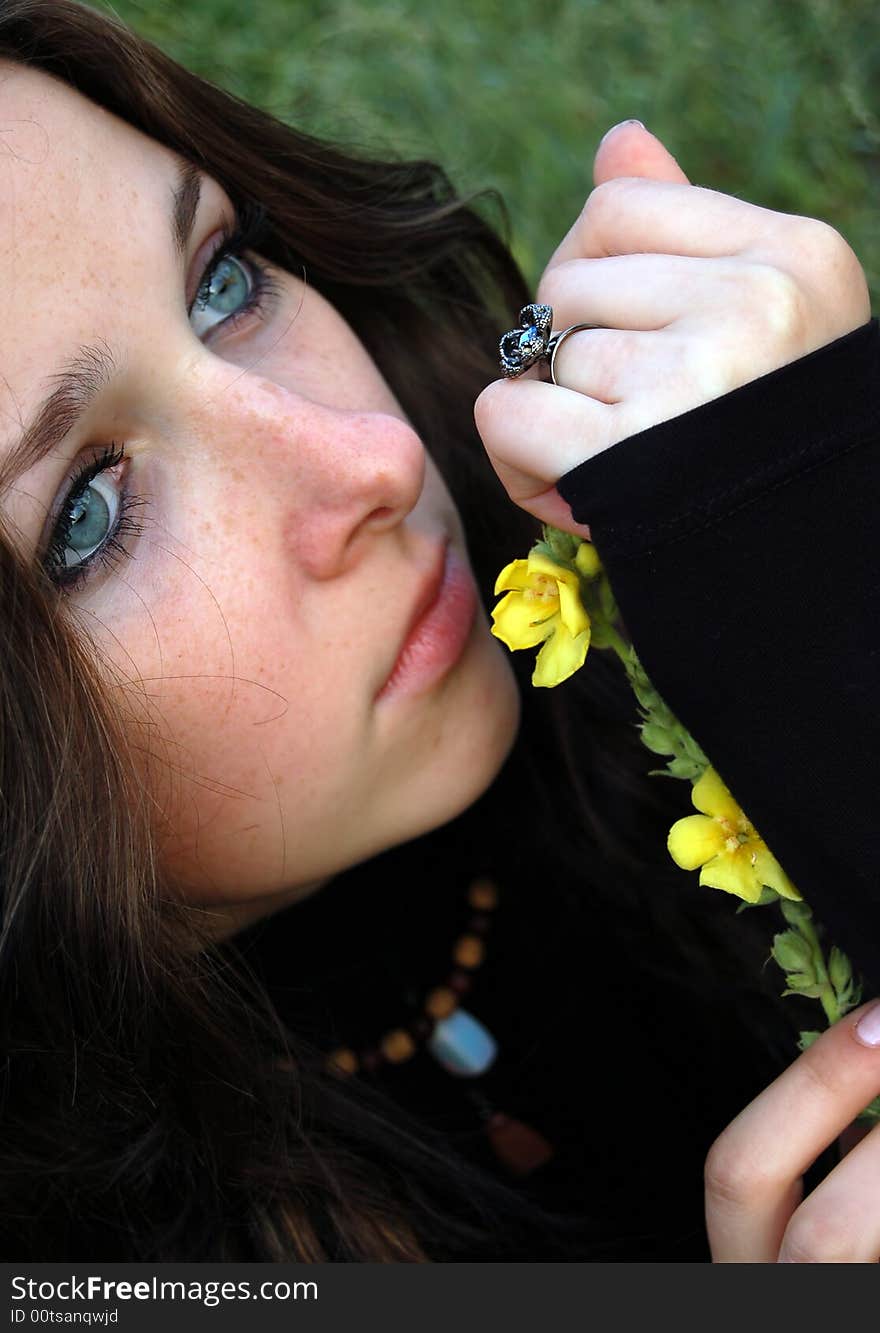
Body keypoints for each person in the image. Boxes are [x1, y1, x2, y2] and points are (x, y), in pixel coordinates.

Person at [0, 0, 876, 1262]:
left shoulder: (646, 635)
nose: (377, 458)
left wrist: (824, 598)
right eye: (89, 511)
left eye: (222, 283)